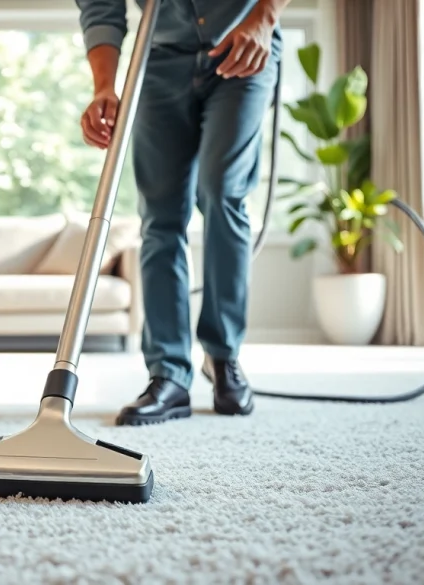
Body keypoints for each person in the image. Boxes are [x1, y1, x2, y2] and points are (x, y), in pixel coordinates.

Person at [75, 0, 288, 425]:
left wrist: (262, 20)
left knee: (223, 192)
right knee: (161, 214)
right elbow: (101, 8)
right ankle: (168, 374)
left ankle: (224, 357)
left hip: (243, 45)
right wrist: (104, 87)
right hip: (158, 59)